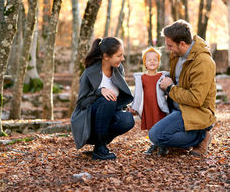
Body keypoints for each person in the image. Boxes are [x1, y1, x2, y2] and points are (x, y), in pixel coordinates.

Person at [149, 19, 217, 156]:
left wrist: (170, 89)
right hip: (177, 106)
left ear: (182, 43)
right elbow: (179, 79)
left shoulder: (203, 62)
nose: (168, 49)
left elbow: (196, 99)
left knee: (156, 136)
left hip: (194, 111)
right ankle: (179, 140)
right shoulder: (177, 54)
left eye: (170, 45)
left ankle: (202, 136)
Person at [71, 37, 135, 160]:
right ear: (106, 56)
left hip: (107, 117)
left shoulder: (118, 68)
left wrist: (127, 108)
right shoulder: (89, 73)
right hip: (89, 121)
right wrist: (100, 92)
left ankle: (99, 146)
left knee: (127, 120)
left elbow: (119, 95)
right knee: (108, 98)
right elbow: (81, 103)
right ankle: (100, 148)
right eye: (119, 56)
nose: (123, 59)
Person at [129, 47, 169, 156]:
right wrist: (134, 106)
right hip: (148, 106)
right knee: (150, 126)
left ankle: (162, 146)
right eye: (149, 60)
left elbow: (168, 91)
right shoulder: (142, 78)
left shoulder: (162, 76)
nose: (152, 61)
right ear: (145, 63)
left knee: (161, 124)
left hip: (158, 106)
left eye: (155, 60)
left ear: (158, 63)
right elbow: (137, 94)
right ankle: (154, 144)